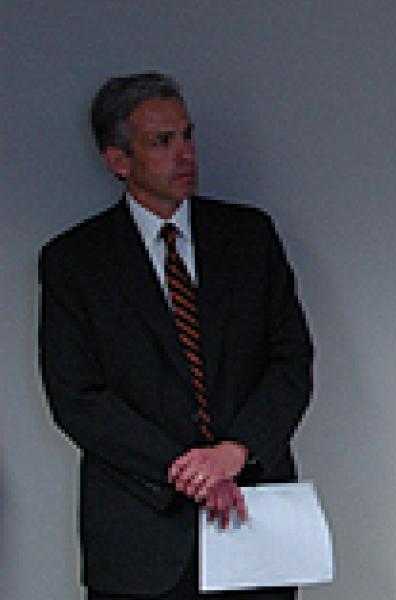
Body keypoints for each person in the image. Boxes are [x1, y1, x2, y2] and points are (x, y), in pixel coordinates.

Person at [38, 72, 314, 599]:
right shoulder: (75, 261)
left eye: (187, 136)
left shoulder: (249, 237)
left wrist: (235, 451)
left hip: (253, 515)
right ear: (118, 160)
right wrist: (185, 468)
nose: (184, 154)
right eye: (161, 142)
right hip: (139, 530)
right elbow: (77, 396)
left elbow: (291, 361)